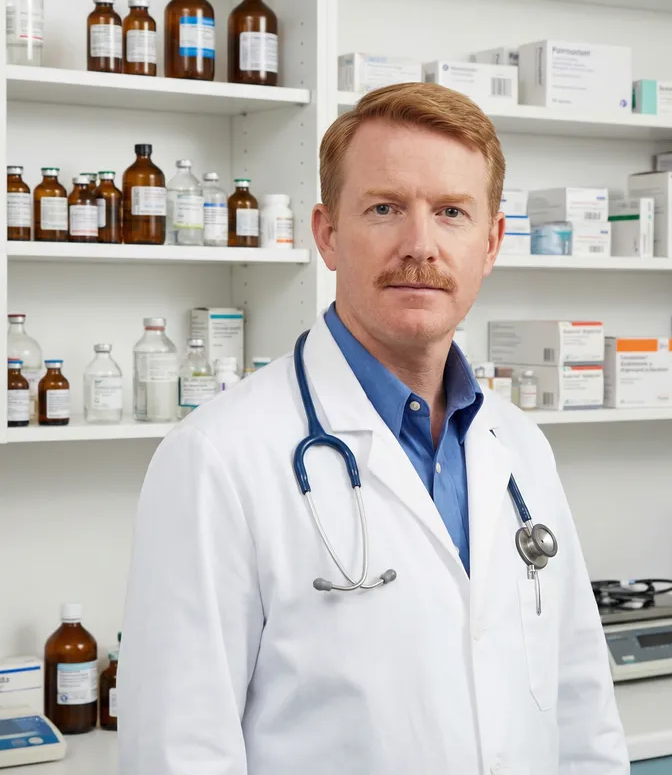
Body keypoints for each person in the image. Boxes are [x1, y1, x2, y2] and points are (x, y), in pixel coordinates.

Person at [118, 82, 629, 774]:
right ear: (327, 235)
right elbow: (179, 751)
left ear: (492, 242)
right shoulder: (218, 458)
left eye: (451, 212)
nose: (420, 245)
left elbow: (582, 706)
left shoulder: (520, 448)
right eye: (386, 208)